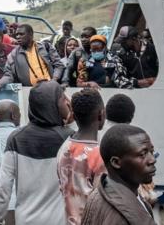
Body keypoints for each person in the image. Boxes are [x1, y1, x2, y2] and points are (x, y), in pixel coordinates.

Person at [0, 80, 74, 225]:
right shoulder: (69, 138)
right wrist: (73, 117)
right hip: (59, 220)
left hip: (26, 220)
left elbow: (3, 187)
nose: (66, 103)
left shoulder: (16, 138)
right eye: (63, 99)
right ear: (53, 104)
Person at [81, 124, 157, 225]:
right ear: (116, 162)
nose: (152, 160)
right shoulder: (119, 216)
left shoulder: (100, 193)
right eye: (142, 154)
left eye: (152, 152)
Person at [57, 88, 107, 224]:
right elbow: (102, 201)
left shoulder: (65, 147)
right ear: (101, 114)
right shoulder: (100, 155)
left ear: (74, 115)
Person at [0, 24, 64, 90]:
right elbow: (8, 76)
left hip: (51, 89)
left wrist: (54, 80)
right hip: (31, 93)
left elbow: (59, 65)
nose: (18, 37)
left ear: (31, 35)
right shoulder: (13, 55)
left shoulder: (45, 47)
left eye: (21, 34)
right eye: (17, 35)